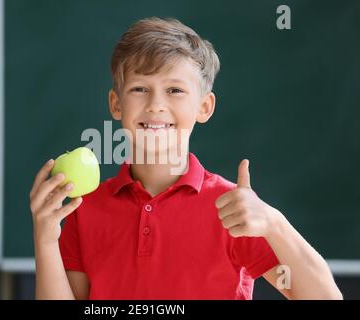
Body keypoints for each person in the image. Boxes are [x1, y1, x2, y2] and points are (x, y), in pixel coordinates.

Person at [29, 17, 342, 300]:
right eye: (139, 88)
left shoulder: (231, 208)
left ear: (204, 107)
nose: (156, 105)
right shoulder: (86, 209)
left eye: (175, 90)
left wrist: (274, 222)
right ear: (116, 104)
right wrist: (45, 239)